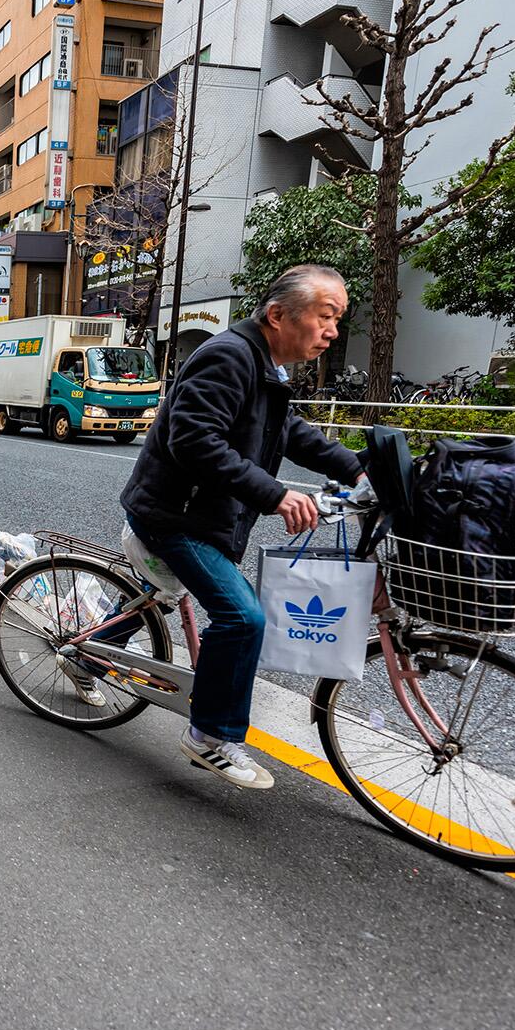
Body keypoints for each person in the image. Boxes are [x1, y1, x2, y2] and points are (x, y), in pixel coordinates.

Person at [102, 264, 366, 790]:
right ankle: (210, 736)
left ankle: (87, 660)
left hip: (205, 515)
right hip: (174, 516)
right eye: (326, 316)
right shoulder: (228, 356)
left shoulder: (265, 365)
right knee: (242, 619)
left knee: (163, 593)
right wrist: (277, 494)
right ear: (278, 315)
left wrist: (356, 469)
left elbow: (291, 432)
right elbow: (193, 441)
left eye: (337, 319)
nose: (333, 331)